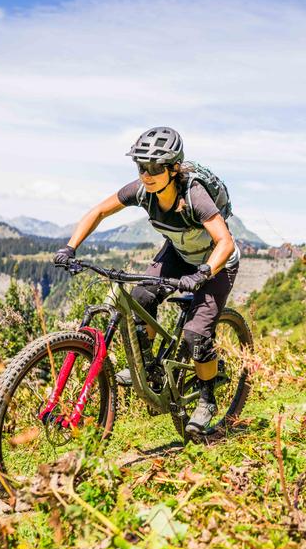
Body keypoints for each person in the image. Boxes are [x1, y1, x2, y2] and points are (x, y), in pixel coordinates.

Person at [53, 126, 239, 436]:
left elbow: (225, 242)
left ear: (173, 168)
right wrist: (70, 247)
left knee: (196, 336)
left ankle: (207, 398)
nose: (146, 174)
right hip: (178, 255)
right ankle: (148, 366)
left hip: (215, 264)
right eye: (141, 166)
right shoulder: (141, 190)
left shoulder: (194, 195)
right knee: (140, 299)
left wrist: (203, 273)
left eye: (154, 167)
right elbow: (99, 211)